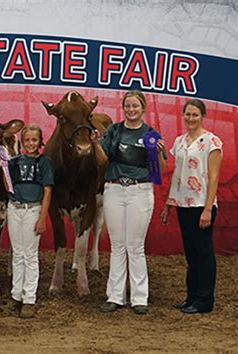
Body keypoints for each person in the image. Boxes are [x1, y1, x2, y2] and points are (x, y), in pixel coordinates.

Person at [96, 90, 166, 315]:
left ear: (143, 108)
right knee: (117, 245)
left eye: (135, 106)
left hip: (140, 190)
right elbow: (102, 160)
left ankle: (139, 298)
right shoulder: (114, 131)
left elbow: (159, 171)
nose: (131, 109)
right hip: (114, 189)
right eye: (127, 106)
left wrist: (160, 155)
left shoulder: (150, 134)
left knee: (135, 246)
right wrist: (95, 143)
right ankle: (115, 296)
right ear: (123, 107)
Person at [161, 99, 222, 314]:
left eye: (195, 114)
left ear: (202, 116)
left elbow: (213, 178)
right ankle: (191, 296)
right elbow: (177, 175)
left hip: (200, 204)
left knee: (204, 251)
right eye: (188, 114)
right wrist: (169, 204)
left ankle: (205, 300)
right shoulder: (179, 142)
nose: (191, 118)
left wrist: (207, 208)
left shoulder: (212, 142)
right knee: (191, 252)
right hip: (183, 204)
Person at [3, 124, 53, 318]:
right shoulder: (14, 162)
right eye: (27, 140)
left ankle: (29, 298)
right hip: (15, 208)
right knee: (17, 253)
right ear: (21, 142)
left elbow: (48, 190)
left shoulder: (45, 162)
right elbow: (9, 186)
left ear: (40, 142)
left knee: (30, 255)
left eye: (34, 140)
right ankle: (16, 295)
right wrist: (3, 168)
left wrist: (42, 217)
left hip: (33, 209)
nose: (30, 143)